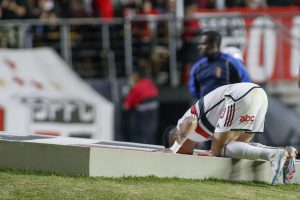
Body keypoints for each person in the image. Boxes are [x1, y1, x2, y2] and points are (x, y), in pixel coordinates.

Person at [161, 82, 296, 184]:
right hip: (259, 95)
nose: (181, 154)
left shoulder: (181, 125)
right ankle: (282, 152)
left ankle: (274, 155)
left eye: (179, 152)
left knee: (219, 150)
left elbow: (191, 123)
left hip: (239, 96)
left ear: (174, 137)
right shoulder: (200, 137)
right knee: (238, 146)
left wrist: (173, 149)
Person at [189, 30, 252, 99]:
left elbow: (246, 83)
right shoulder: (197, 67)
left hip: (229, 107)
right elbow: (194, 91)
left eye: (203, 44)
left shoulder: (230, 62)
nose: (199, 47)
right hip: (206, 107)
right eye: (199, 44)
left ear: (214, 44)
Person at [123, 67, 159, 144]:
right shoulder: (150, 84)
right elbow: (155, 93)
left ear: (137, 76)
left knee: (141, 140)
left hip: (142, 120)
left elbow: (126, 106)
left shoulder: (137, 88)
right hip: (153, 118)